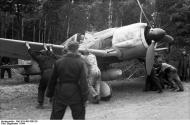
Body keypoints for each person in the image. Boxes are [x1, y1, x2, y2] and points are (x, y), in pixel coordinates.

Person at [46, 41, 89, 120]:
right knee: (79, 118)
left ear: (68, 49)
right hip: (76, 94)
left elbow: (52, 80)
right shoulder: (80, 63)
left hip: (60, 93)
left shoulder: (58, 62)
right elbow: (83, 82)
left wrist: (49, 94)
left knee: (55, 118)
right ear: (77, 49)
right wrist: (85, 98)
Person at [25, 42, 59, 109]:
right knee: (53, 87)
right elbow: (51, 53)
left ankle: (40, 104)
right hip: (53, 73)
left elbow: (32, 53)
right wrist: (49, 47)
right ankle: (53, 102)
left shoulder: (40, 58)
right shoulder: (52, 57)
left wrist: (28, 46)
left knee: (41, 88)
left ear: (41, 54)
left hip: (45, 73)